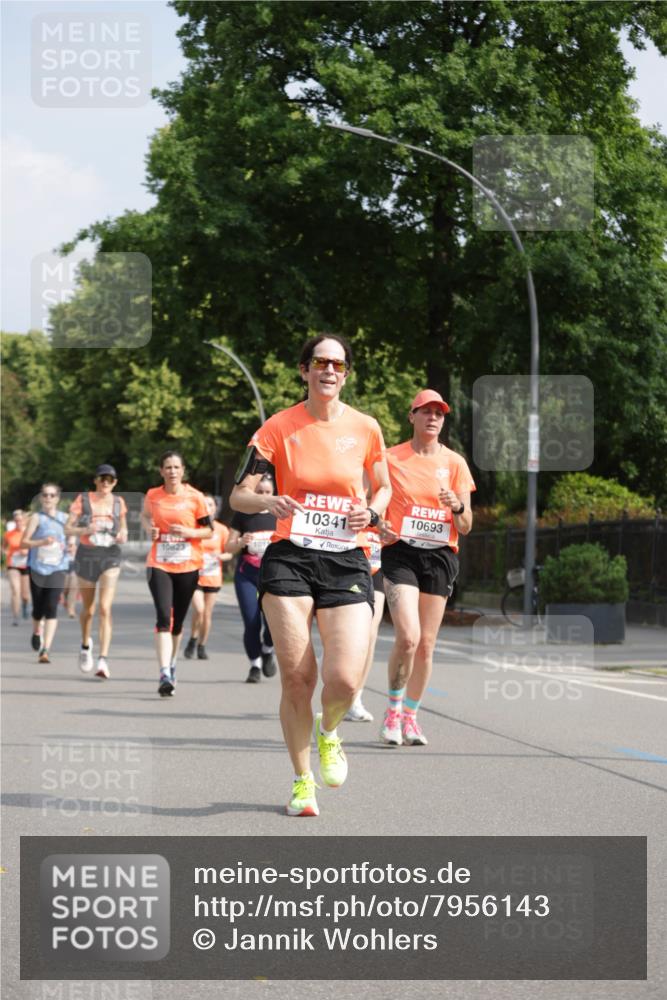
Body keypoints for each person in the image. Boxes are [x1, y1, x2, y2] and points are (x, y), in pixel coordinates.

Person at [230, 333, 391, 816]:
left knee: (342, 679)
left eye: (338, 365)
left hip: (346, 557)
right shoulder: (278, 428)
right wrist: (267, 500)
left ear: (345, 374)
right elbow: (240, 495)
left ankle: (330, 731)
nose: (329, 371)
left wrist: (373, 513)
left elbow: (382, 488)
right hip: (290, 556)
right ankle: (302, 782)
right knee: (298, 676)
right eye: (320, 362)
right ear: (304, 370)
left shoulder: (366, 428)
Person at [379, 389, 475, 746]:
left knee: (427, 645)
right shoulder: (390, 458)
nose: (433, 417)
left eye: (439, 413)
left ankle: (411, 717)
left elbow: (466, 527)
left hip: (440, 556)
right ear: (412, 416)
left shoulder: (455, 464)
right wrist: (379, 524)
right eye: (426, 411)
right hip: (401, 551)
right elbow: (372, 501)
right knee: (408, 636)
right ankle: (392, 710)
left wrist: (457, 507)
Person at [141, 450, 213, 697]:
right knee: (163, 617)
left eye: (176, 467)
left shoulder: (195, 497)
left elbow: (208, 531)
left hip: (188, 565)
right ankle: (163, 673)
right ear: (161, 471)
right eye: (167, 467)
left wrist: (189, 533)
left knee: (178, 621)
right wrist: (148, 529)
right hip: (159, 562)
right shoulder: (153, 495)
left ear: (183, 471)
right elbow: (145, 517)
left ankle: (172, 663)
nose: (172, 471)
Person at [65, 464, 128, 680]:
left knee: (104, 608)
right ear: (95, 480)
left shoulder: (119, 502)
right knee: (89, 610)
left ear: (115, 483)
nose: (105, 483)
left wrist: (122, 535)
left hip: (110, 555)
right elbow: (68, 528)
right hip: (87, 555)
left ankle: (103, 659)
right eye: (102, 479)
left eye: (110, 480)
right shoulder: (83, 501)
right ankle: (85, 645)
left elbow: (124, 528)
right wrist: (85, 530)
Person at [225, 474, 277, 683]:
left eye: (267, 492)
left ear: (273, 493)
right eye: (259, 492)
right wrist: (240, 541)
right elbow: (228, 546)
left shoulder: (280, 514)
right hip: (247, 574)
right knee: (252, 622)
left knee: (274, 622)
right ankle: (254, 665)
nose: (263, 496)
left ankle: (268, 648)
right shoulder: (243, 514)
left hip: (273, 576)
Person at [21, 483, 69, 663]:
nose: (48, 498)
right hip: (37, 568)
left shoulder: (65, 518)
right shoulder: (36, 519)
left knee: (51, 606)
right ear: (41, 498)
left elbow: (72, 539)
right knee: (38, 608)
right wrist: (40, 543)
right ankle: (36, 631)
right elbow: (24, 542)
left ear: (57, 498)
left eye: (52, 495)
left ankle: (45, 648)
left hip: (58, 568)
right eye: (45, 495)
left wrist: (71, 545)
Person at [344, 522, 384, 722]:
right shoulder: (353, 490)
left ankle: (355, 698)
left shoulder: (390, 492)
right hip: (348, 563)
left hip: (377, 566)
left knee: (370, 634)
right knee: (344, 634)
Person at [183, 495, 231, 661]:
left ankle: (201, 645)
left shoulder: (222, 529)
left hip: (213, 576)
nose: (207, 507)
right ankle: (192, 638)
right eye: (204, 504)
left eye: (210, 504)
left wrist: (219, 556)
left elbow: (229, 553)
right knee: (199, 609)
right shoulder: (194, 527)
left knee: (207, 614)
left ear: (214, 508)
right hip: (195, 574)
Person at [3, 509, 30, 625]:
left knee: (25, 594)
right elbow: (3, 547)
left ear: (24, 521)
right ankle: (15, 616)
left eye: (20, 520)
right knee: (15, 590)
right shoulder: (9, 534)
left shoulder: (29, 533)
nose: (18, 522)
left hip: (26, 564)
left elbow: (36, 547)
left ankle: (25, 605)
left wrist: (27, 552)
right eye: (16, 520)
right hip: (13, 564)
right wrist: (6, 553)